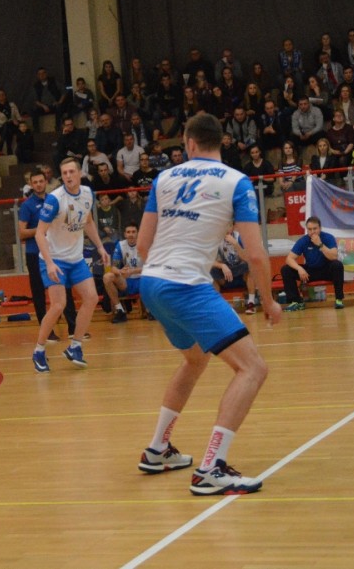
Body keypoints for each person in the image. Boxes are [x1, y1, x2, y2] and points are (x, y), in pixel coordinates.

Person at [136, 112, 279, 495]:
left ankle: (158, 449)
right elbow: (256, 255)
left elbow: (142, 245)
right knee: (253, 368)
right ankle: (211, 468)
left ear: (189, 143)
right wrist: (268, 301)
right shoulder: (236, 181)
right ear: (221, 142)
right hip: (187, 286)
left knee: (195, 359)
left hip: (152, 282)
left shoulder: (165, 178)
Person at [31, 158, 110, 373]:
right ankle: (39, 350)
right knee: (58, 305)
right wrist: (49, 263)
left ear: (79, 173)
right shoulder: (55, 199)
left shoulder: (87, 193)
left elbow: (88, 222)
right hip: (54, 258)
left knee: (91, 298)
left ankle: (75, 347)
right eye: (64, 173)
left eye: (71, 172)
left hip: (75, 258)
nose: (68, 176)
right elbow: (39, 233)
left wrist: (100, 247)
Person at [18, 169, 77, 343]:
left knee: (64, 287)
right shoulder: (27, 205)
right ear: (31, 184)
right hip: (34, 253)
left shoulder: (54, 200)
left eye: (41, 181)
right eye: (35, 182)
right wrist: (42, 229)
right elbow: (21, 233)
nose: (38, 185)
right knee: (38, 293)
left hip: (55, 251)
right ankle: (47, 331)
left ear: (46, 182)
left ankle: (73, 327)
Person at [280, 216, 345, 311]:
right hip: (310, 272)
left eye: (315, 229)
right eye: (310, 229)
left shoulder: (328, 237)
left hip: (326, 270)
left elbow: (334, 256)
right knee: (286, 269)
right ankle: (296, 302)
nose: (312, 232)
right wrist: (299, 268)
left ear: (320, 228)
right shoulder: (303, 240)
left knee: (337, 265)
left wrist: (320, 244)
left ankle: (339, 300)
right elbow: (289, 259)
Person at [103, 223, 142, 324]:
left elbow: (151, 267)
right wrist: (120, 271)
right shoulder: (120, 245)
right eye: (128, 232)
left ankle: (151, 310)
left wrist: (133, 271)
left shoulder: (144, 244)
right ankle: (120, 310)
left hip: (143, 280)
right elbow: (114, 267)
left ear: (138, 233)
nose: (131, 234)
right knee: (107, 277)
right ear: (125, 234)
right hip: (127, 281)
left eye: (133, 232)